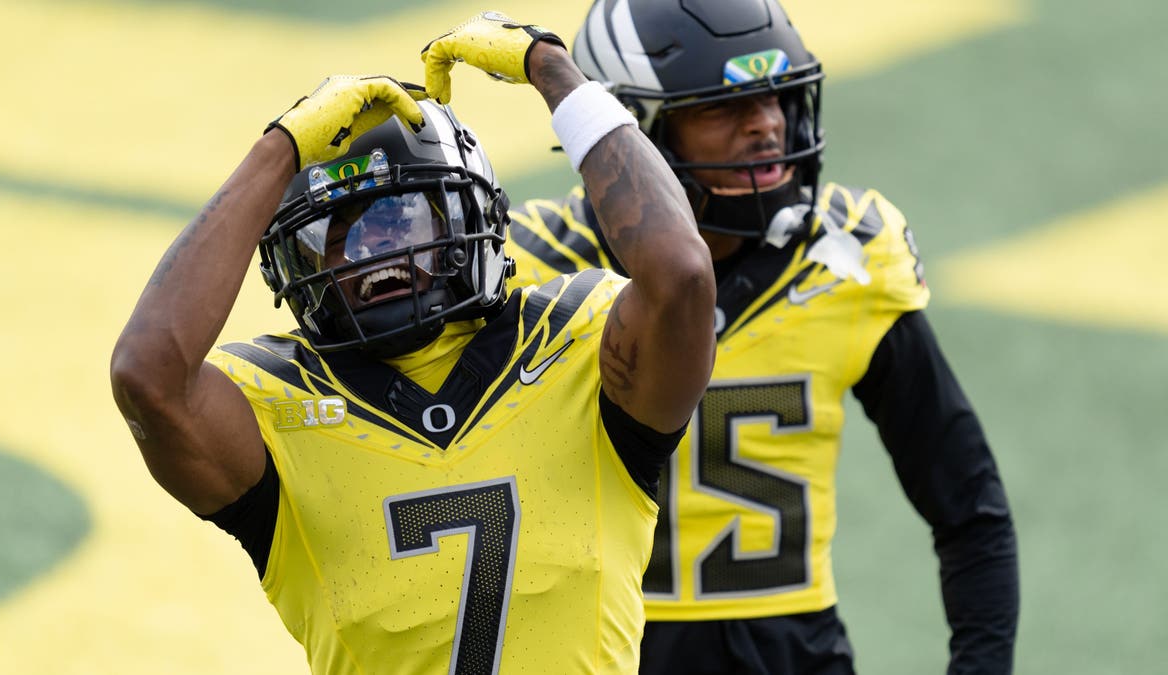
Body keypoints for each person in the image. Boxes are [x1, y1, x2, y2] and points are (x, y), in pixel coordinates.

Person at [109, 12, 716, 674]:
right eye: (335, 235)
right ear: (296, 262)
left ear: (467, 214)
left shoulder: (576, 340)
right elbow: (147, 376)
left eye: (397, 217)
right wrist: (279, 149)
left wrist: (552, 70)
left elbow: (682, 273)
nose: (372, 252)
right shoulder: (277, 404)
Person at [504, 1, 1020, 673]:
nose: (767, 125)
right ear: (636, 131)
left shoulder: (844, 261)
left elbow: (970, 511)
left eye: (774, 97)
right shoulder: (535, 271)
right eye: (723, 107)